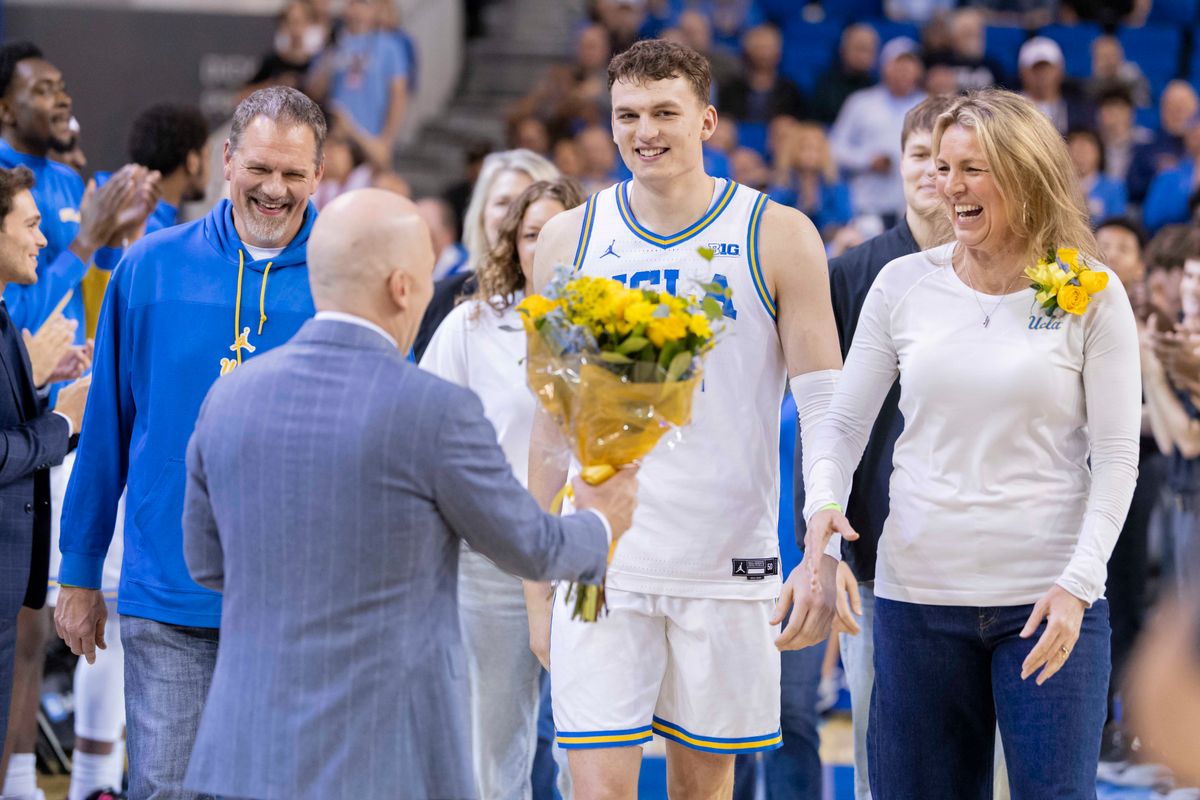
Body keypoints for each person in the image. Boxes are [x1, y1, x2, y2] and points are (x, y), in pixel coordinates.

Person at [179, 187, 635, 800]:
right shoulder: (433, 409)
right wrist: (604, 524)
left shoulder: (227, 397)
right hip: (383, 757)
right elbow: (528, 545)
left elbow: (206, 564)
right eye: (425, 276)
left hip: (241, 752)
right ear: (401, 287)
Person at [529, 39, 845, 798]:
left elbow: (826, 400)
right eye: (627, 115)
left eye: (665, 112)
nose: (646, 131)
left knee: (701, 793)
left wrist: (824, 522)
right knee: (597, 789)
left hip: (727, 561)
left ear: (707, 120)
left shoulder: (778, 233)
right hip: (601, 564)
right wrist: (536, 581)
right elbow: (548, 418)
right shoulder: (569, 239)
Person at [803, 88, 1140, 798]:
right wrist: (823, 510)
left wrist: (1079, 584)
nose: (947, 186)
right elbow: (841, 422)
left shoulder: (1093, 292)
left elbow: (1115, 457)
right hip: (916, 598)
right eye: (942, 166)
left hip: (1049, 604)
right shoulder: (901, 285)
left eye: (972, 169)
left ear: (1024, 173)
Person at [53, 86, 326, 800]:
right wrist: (79, 571)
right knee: (168, 791)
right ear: (226, 161)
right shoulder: (147, 268)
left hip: (299, 609)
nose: (275, 189)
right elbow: (106, 429)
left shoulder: (344, 277)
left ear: (318, 177)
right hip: (166, 599)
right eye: (260, 168)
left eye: (295, 175)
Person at [796, 94, 955, 800]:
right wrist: (833, 552)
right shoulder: (855, 273)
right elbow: (827, 419)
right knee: (879, 761)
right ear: (899, 164)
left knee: (986, 762)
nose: (931, 173)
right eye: (919, 156)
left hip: (991, 552)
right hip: (878, 554)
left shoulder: (1020, 275)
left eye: (948, 161)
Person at [421, 177, 585, 800]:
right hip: (490, 561)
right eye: (531, 235)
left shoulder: (618, 329)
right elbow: (426, 433)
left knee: (586, 752)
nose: (543, 248)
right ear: (511, 246)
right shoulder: (472, 325)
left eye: (558, 233)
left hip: (586, 564)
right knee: (493, 754)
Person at [0, 165, 89, 772]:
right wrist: (60, 425)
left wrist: (41, 391)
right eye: (30, 225)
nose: (42, 239)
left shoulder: (5, 316)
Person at [0, 41, 158, 345]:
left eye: (62, 88)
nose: (62, 100)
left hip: (73, 377)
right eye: (43, 90)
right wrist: (84, 242)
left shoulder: (67, 179)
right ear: (6, 110)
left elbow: (92, 300)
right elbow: (13, 318)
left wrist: (110, 237)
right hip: (20, 379)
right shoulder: (3, 182)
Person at [411, 148, 557, 361]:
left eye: (527, 202)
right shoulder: (440, 299)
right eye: (502, 202)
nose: (513, 215)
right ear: (481, 214)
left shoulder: (579, 297)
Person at [830, 37, 927, 227]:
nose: (904, 71)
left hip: (912, 207)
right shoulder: (860, 102)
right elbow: (834, 147)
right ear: (885, 67)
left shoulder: (928, 106)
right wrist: (867, 160)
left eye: (910, 65)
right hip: (865, 205)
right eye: (898, 65)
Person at [308, 0, 408, 170]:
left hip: (370, 137)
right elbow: (314, 90)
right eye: (351, 3)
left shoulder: (390, 45)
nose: (356, 10)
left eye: (364, 3)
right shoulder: (334, 43)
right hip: (335, 137)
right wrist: (329, 55)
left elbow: (398, 94)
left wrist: (387, 139)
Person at [718, 24, 806, 125]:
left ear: (778, 52)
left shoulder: (790, 91)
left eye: (768, 48)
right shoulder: (730, 89)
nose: (764, 55)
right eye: (759, 48)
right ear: (747, 52)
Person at [1017, 36, 1093, 136]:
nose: (1042, 75)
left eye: (1047, 68)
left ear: (1060, 70)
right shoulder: (1012, 110)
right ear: (1022, 72)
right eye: (1035, 69)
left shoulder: (1079, 111)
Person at [810, 24, 878, 127]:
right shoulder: (825, 85)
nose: (862, 56)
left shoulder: (878, 87)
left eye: (868, 50)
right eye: (858, 48)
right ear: (843, 50)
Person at [1066, 128, 1127, 225]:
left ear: (1099, 154)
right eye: (1075, 151)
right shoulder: (1060, 186)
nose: (1080, 157)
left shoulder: (1114, 187)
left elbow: (1117, 222)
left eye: (1086, 152)